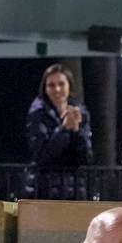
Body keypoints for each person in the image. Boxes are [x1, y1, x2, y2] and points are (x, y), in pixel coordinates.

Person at [25, 63, 93, 200]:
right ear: (45, 88)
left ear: (69, 86)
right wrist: (64, 129)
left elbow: (85, 156)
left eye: (61, 84)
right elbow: (42, 155)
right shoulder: (37, 114)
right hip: (44, 189)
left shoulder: (80, 113)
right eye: (51, 85)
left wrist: (76, 131)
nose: (57, 89)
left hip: (74, 190)